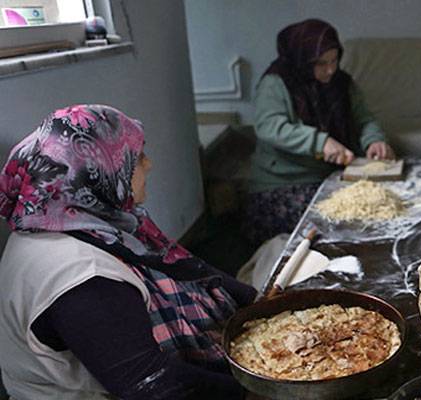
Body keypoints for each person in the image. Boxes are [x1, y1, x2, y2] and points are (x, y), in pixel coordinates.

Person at [0, 105, 257, 399]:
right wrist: (259, 393)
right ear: (96, 172)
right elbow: (156, 386)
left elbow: (182, 267)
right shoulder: (81, 275)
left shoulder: (69, 220)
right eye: (136, 158)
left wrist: (252, 301)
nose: (149, 165)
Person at [246, 18, 394, 244]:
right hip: (281, 183)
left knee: (376, 210)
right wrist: (320, 143)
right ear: (303, 61)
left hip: (326, 177)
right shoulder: (276, 83)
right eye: (321, 63)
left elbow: (363, 119)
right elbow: (269, 126)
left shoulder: (341, 83)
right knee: (336, 225)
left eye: (334, 60)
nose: (331, 69)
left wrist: (374, 141)